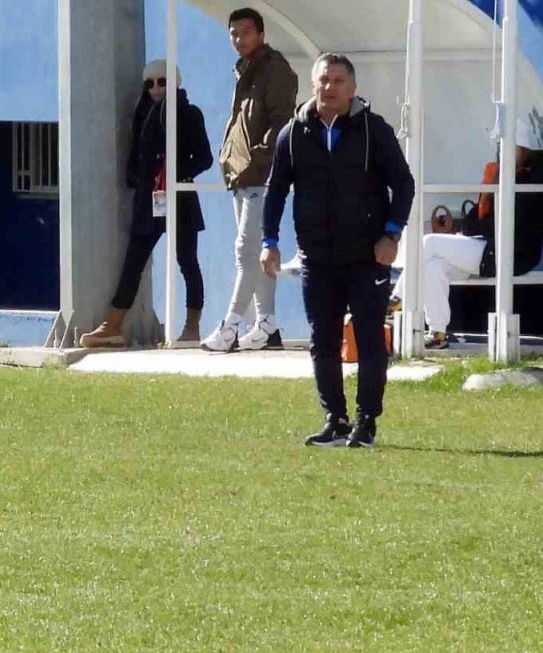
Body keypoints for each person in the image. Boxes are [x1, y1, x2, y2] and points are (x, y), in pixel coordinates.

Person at [261, 54, 415, 448]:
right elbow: (275, 190)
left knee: (368, 339)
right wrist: (269, 242)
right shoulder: (293, 133)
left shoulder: (374, 130)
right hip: (317, 258)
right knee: (323, 340)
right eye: (323, 80)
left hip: (367, 256)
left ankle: (367, 422)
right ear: (313, 84)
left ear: (353, 87)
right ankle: (336, 419)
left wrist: (391, 234)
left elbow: (403, 184)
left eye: (338, 81)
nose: (329, 87)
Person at [79, 60, 213, 349]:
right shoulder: (142, 113)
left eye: (162, 81)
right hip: (149, 200)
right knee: (133, 262)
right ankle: (112, 326)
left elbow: (205, 157)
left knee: (187, 261)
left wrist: (176, 175)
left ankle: (192, 327)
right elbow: (135, 156)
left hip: (179, 198)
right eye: (149, 83)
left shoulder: (189, 113)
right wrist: (137, 176)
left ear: (174, 83)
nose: (155, 88)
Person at [390, 118, 543, 349]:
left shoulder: (529, 182)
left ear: (522, 149)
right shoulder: (500, 176)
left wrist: (471, 227)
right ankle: (438, 333)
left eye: (507, 146)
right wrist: (463, 226)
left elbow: (506, 223)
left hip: (508, 253)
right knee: (434, 266)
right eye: (500, 146)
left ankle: (397, 298)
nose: (502, 151)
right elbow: (478, 219)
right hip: (484, 247)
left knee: (428, 243)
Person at [201, 7, 299, 353]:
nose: (239, 39)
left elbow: (282, 120)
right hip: (242, 173)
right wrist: (231, 158)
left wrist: (260, 156)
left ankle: (229, 327)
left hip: (261, 174)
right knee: (254, 253)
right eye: (234, 33)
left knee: (246, 251)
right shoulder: (246, 69)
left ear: (261, 34)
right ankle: (267, 325)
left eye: (245, 32)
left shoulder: (274, 69)